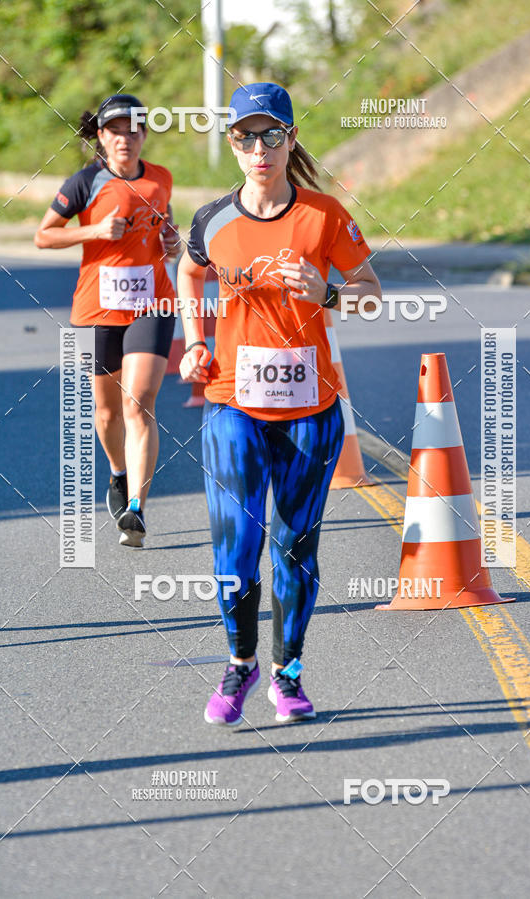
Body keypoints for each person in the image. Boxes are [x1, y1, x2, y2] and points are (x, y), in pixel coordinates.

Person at [177, 81, 382, 726]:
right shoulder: (212, 219)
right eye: (245, 136)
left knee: (295, 547)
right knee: (235, 548)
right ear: (231, 143)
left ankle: (288, 674)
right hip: (232, 405)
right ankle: (240, 665)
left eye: (271, 135)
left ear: (291, 139)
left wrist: (326, 290)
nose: (258, 148)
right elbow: (189, 271)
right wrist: (195, 339)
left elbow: (372, 295)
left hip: (310, 412)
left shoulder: (323, 216)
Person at [35, 94, 180, 547]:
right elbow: (44, 236)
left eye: (134, 129)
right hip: (98, 310)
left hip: (152, 303)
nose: (125, 138)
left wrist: (171, 243)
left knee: (139, 402)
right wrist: (94, 231)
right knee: (107, 410)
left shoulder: (161, 179)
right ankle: (117, 474)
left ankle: (136, 508)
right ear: (101, 136)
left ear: (143, 135)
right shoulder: (84, 183)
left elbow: (164, 229)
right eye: (115, 130)